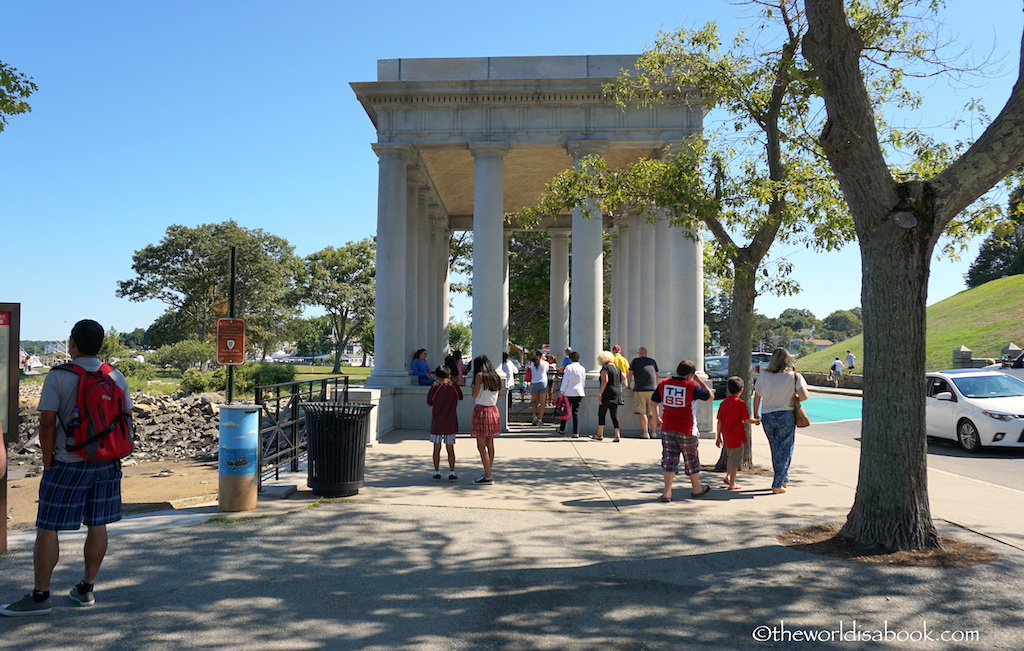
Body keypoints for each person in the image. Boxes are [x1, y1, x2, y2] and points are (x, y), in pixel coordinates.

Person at [1, 320, 132, 617]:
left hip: (67, 462)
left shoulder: (59, 377)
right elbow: (125, 420)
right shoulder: (115, 376)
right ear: (101, 344)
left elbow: (46, 423)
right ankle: (86, 589)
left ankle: (40, 596)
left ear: (72, 343)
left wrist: (48, 462)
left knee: (48, 528)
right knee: (97, 523)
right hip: (106, 462)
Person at [651, 359, 713, 502]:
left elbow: (653, 403)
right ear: (691, 375)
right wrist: (699, 381)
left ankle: (667, 492)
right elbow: (710, 397)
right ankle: (696, 488)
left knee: (669, 459)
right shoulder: (692, 386)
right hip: (687, 428)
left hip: (668, 427)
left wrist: (656, 419)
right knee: (691, 459)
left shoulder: (664, 384)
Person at [752, 347, 809, 494]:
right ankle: (777, 483)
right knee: (785, 449)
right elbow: (804, 396)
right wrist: (794, 397)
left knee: (775, 449)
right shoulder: (794, 376)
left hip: (767, 415)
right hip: (786, 414)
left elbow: (757, 396)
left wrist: (756, 414)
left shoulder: (763, 376)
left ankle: (784, 478)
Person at [715, 377, 759, 490]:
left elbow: (719, 421)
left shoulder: (723, 403)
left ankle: (728, 476)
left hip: (726, 435)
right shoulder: (740, 404)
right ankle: (732, 483)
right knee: (735, 461)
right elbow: (747, 420)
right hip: (737, 435)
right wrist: (757, 420)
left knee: (730, 457)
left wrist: (718, 436)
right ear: (742, 390)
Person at [470, 355, 503, 485]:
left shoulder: (479, 376)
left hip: (481, 411)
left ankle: (488, 475)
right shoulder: (496, 376)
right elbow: (499, 393)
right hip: (493, 410)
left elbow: (474, 394)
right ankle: (488, 471)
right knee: (490, 444)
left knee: (481, 445)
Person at [426, 365, 463, 482]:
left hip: (437, 422)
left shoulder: (435, 387)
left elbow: (429, 402)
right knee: (450, 449)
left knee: (436, 448)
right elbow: (460, 397)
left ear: (437, 377)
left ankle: (436, 471)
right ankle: (452, 471)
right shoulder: (454, 387)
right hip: (451, 422)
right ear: (449, 376)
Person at [627, 347, 660, 439]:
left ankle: (645, 433)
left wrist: (628, 385)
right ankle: (654, 433)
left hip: (640, 389)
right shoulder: (652, 361)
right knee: (652, 412)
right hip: (652, 389)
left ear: (639, 353)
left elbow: (630, 374)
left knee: (642, 412)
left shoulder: (635, 361)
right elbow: (656, 374)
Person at [594, 350, 623, 442]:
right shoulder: (617, 368)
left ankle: (599, 434)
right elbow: (623, 378)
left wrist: (600, 394)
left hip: (607, 393)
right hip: (617, 392)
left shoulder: (605, 368)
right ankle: (617, 434)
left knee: (602, 412)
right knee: (614, 414)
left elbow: (604, 380)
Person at [557, 351, 586, 437]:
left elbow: (565, 380)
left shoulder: (569, 368)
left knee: (566, 411)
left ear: (570, 359)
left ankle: (562, 429)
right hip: (579, 391)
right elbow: (583, 381)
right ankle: (576, 432)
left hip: (569, 392)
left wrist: (562, 391)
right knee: (575, 412)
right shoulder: (582, 368)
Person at [527, 352, 550, 425]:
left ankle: (534, 417)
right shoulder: (545, 363)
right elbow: (546, 370)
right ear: (541, 356)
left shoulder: (532, 363)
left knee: (534, 401)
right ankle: (540, 420)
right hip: (543, 382)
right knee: (542, 403)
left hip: (534, 383)